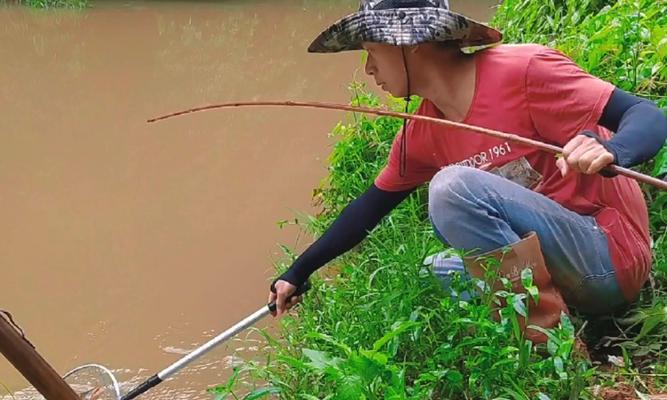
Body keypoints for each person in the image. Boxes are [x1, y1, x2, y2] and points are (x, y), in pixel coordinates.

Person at [268, 0, 667, 342]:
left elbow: (646, 115)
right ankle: (553, 313)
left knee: (451, 188)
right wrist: (297, 272)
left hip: (608, 258)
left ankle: (547, 343)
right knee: (433, 271)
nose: (369, 68)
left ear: (413, 44)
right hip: (559, 271)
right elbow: (368, 209)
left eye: (373, 50)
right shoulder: (423, 132)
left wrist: (612, 150)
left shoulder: (523, 70)